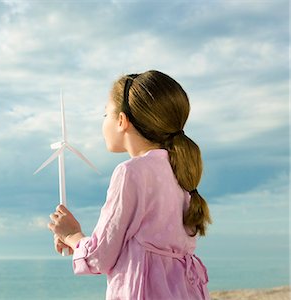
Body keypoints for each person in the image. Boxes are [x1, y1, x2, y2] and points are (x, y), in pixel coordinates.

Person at [47, 70, 213, 300]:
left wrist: (72, 235)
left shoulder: (131, 172)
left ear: (122, 121)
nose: (104, 121)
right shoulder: (180, 169)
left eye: (106, 114)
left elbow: (100, 256)